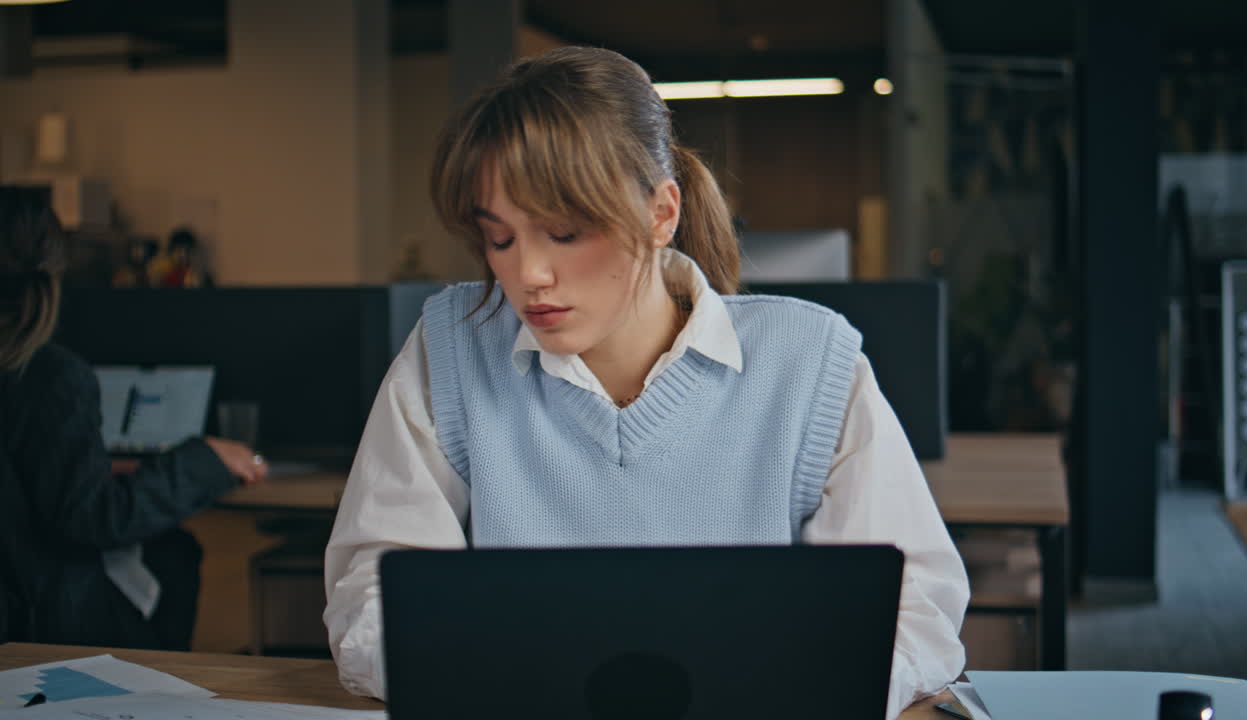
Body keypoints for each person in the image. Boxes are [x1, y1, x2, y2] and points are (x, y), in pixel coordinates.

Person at [324, 47, 968, 719]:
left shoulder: (808, 360)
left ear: (662, 214)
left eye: (564, 233)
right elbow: (369, 594)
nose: (528, 275)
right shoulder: (451, 345)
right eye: (500, 240)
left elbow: (916, 606)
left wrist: (793, 687)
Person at [0, 186, 269, 650]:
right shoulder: (47, 377)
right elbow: (92, 518)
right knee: (176, 554)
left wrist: (96, 468)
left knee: (169, 552)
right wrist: (203, 460)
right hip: (42, 628)